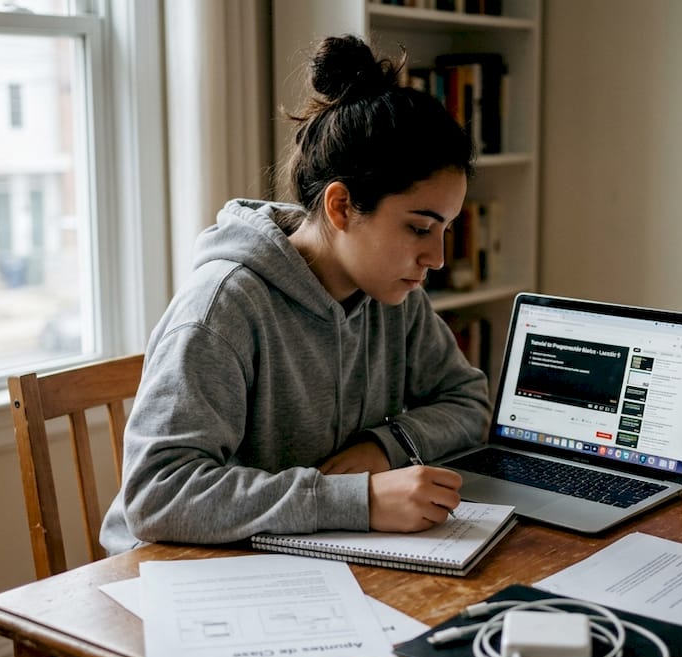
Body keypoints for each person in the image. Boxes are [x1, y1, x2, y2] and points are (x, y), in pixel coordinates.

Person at [99, 35, 491, 553]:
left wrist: (385, 446)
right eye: (420, 228)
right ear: (341, 205)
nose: (437, 258)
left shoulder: (395, 295)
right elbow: (157, 495)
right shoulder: (222, 309)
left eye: (447, 229)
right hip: (179, 574)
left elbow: (469, 402)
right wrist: (357, 500)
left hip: (304, 553)